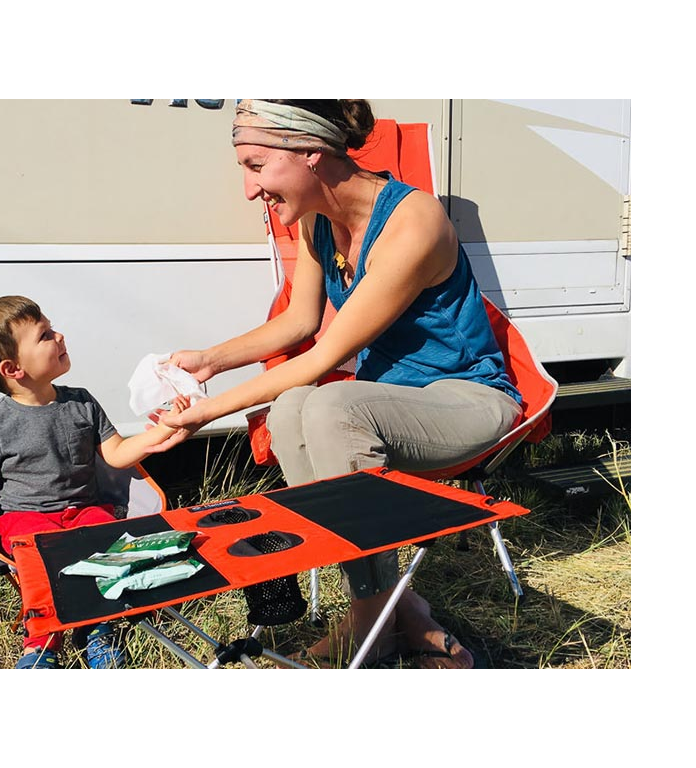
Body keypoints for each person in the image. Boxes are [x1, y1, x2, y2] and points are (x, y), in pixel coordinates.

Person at [152, 100, 523, 669]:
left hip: (467, 399)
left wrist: (206, 413)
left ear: (310, 153)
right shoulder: (316, 221)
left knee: (328, 406)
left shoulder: (413, 221)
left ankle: (368, 625)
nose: (249, 190)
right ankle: (400, 613)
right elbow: (300, 323)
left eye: (255, 165)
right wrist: (210, 360)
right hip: (389, 399)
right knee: (292, 408)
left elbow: (328, 351)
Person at [0, 295, 187, 669]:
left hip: (85, 512)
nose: (60, 336)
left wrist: (160, 433)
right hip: (26, 519)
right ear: (13, 369)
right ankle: (41, 644)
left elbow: (117, 453)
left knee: (109, 546)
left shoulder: (81, 403)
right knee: (37, 562)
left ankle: (98, 630)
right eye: (45, 335)